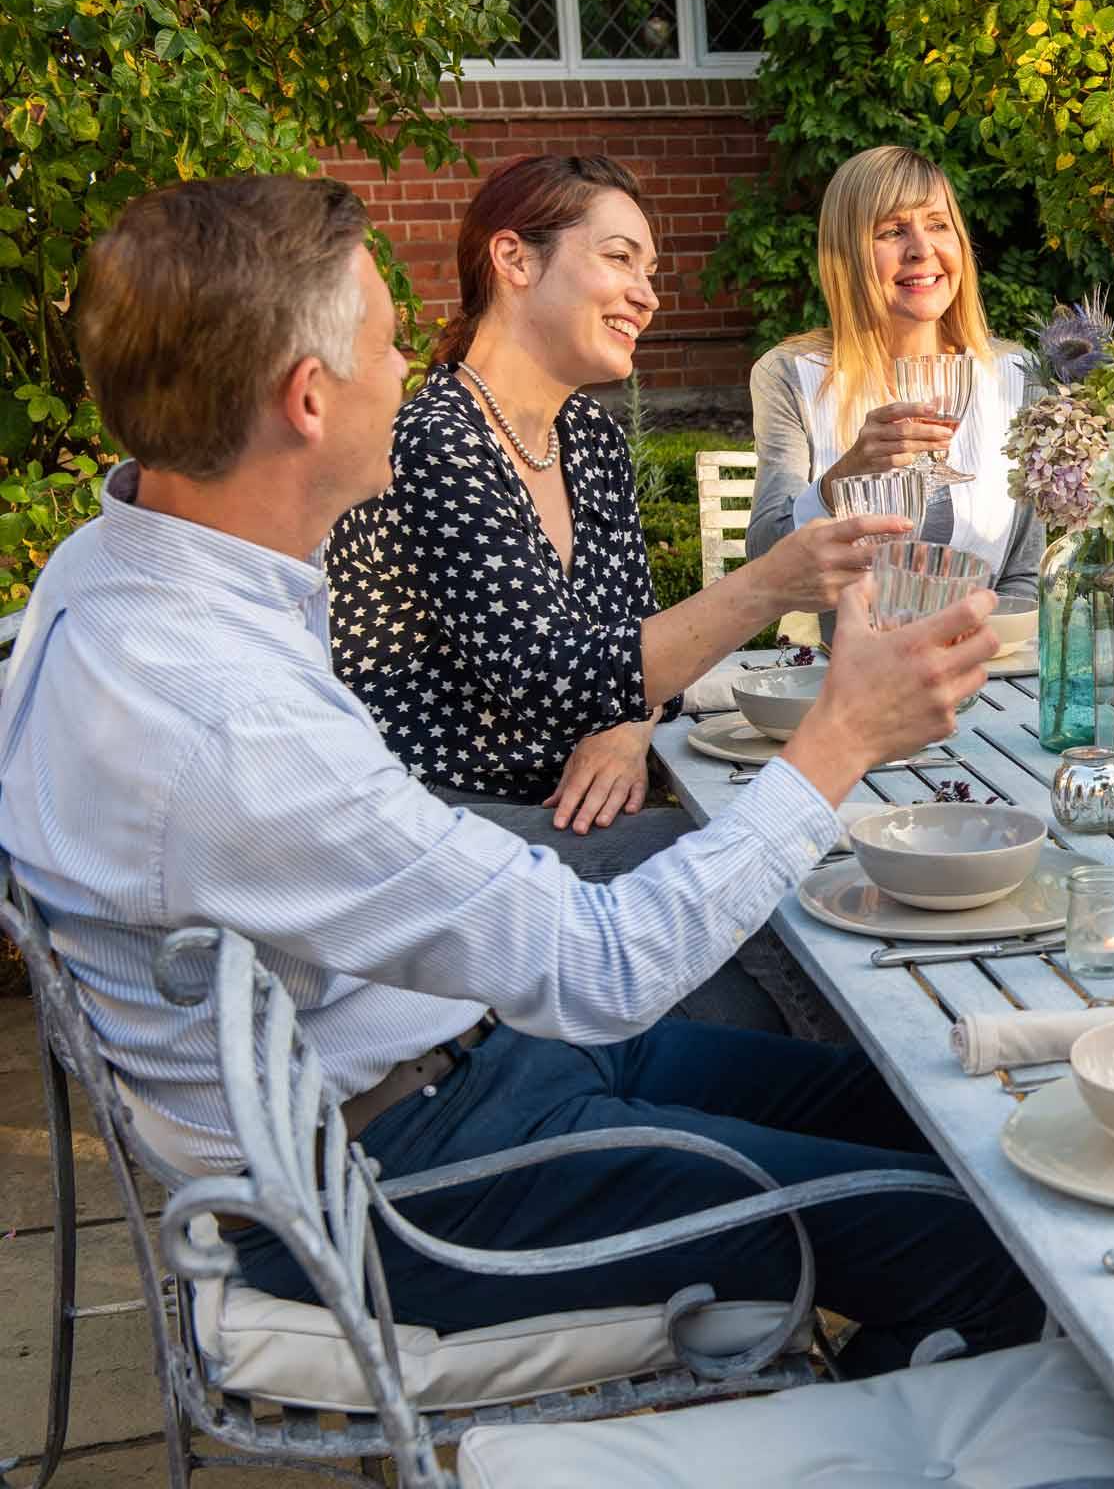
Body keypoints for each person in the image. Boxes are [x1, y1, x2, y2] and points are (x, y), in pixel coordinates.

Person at [2, 174, 1040, 1373]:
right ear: (306, 398)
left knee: (928, 1112)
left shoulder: (112, 571)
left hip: (461, 1043)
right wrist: (841, 740)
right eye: (388, 347)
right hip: (400, 1177)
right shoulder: (223, 719)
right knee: (972, 1230)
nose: (412, 376)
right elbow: (603, 965)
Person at [325, 155, 871, 1034]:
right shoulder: (433, 441)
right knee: (788, 882)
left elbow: (633, 639)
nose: (647, 295)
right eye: (621, 259)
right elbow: (554, 678)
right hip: (442, 837)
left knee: (777, 890)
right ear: (514, 260)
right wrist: (771, 582)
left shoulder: (584, 435)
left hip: (566, 817)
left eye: (650, 271)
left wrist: (628, 727)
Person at [745, 146, 1042, 630]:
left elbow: (1022, 575)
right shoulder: (791, 376)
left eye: (938, 225)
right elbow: (764, 555)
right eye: (892, 231)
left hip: (988, 665)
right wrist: (845, 475)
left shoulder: (1015, 376)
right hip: (841, 665)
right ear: (847, 255)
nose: (922, 249)